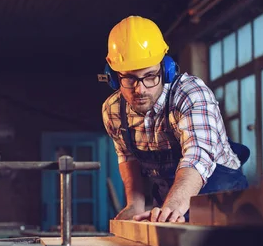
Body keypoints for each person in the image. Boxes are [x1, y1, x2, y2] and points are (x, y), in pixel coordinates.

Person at [100, 15, 249, 223]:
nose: (140, 89)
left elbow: (197, 156)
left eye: (150, 76)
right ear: (113, 76)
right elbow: (127, 157)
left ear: (166, 68)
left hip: (222, 199)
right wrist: (134, 205)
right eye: (129, 78)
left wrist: (170, 208)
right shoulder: (113, 110)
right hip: (172, 201)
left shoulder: (191, 94)